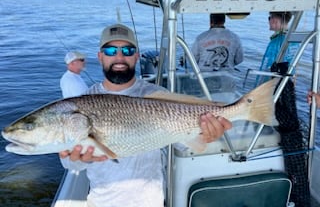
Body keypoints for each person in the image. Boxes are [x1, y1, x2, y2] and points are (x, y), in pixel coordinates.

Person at [59, 23, 232, 207]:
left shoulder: (156, 94)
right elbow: (71, 165)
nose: (119, 57)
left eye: (127, 50)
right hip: (101, 202)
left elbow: (183, 142)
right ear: (100, 57)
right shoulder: (83, 103)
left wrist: (206, 134)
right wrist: (74, 159)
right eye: (110, 51)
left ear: (136, 56)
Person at [191, 13, 243, 93]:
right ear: (224, 21)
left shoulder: (200, 37)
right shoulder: (235, 38)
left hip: (204, 80)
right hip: (227, 80)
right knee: (227, 103)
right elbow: (239, 59)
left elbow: (193, 60)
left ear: (210, 21)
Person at [257, 11, 298, 84]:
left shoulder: (277, 41)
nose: (269, 21)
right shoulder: (294, 40)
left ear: (274, 19)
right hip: (287, 81)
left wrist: (259, 85)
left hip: (273, 84)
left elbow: (268, 65)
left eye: (269, 18)